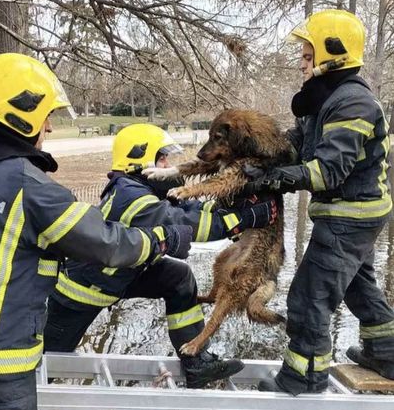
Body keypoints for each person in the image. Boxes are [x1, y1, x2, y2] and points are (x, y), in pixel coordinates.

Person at [0, 53, 197, 410]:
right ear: (21, 116)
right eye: (46, 116)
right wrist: (164, 241)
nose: (49, 128)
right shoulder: (30, 188)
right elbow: (108, 245)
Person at [44, 123, 278, 388]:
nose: (167, 163)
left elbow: (189, 207)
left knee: (178, 277)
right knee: (47, 360)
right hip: (82, 292)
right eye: (162, 157)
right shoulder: (131, 196)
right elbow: (185, 223)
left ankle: (196, 361)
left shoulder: (140, 188)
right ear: (138, 157)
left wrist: (228, 203)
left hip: (119, 274)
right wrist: (244, 218)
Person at [242, 9, 394, 395]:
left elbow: (328, 171)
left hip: (351, 215)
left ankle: (303, 378)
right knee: (359, 288)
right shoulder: (324, 97)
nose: (301, 62)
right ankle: (386, 351)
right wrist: (259, 154)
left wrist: (276, 177)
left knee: (309, 296)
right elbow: (296, 144)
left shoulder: (352, 104)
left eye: (308, 56)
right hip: (353, 212)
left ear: (333, 55)